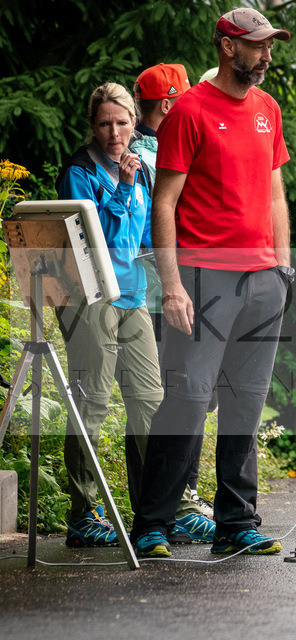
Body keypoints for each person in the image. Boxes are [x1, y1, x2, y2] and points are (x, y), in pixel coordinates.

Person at [130, 7, 294, 557]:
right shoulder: (190, 112)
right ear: (228, 47)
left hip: (263, 277)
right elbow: (165, 203)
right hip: (204, 277)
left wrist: (284, 269)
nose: (267, 54)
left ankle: (236, 522)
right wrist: (172, 286)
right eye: (257, 45)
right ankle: (153, 521)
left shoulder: (267, 108)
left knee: (245, 401)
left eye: (270, 45)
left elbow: (274, 195)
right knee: (188, 399)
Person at [55, 82, 212, 547]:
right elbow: (94, 240)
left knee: (152, 405)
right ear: (93, 125)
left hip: (134, 299)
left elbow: (148, 238)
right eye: (104, 123)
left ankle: (167, 509)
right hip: (91, 300)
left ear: (133, 123)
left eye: (122, 122)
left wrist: (177, 280)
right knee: (92, 404)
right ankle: (83, 514)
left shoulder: (143, 169)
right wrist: (123, 189)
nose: (114, 132)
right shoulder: (79, 172)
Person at [129, 63, 214, 520]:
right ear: (167, 104)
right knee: (181, 399)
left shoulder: (134, 150)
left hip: (152, 290)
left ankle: (158, 503)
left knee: (164, 401)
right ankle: (176, 505)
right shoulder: (163, 151)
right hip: (167, 289)